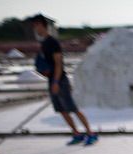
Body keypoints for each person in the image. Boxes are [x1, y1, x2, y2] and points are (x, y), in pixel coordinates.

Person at [29, 14, 96, 146]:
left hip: (60, 80)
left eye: (36, 25)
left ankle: (90, 133)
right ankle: (76, 134)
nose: (35, 28)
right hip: (52, 80)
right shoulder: (43, 43)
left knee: (73, 108)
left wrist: (55, 82)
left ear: (42, 25)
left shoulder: (52, 42)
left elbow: (59, 63)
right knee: (61, 110)